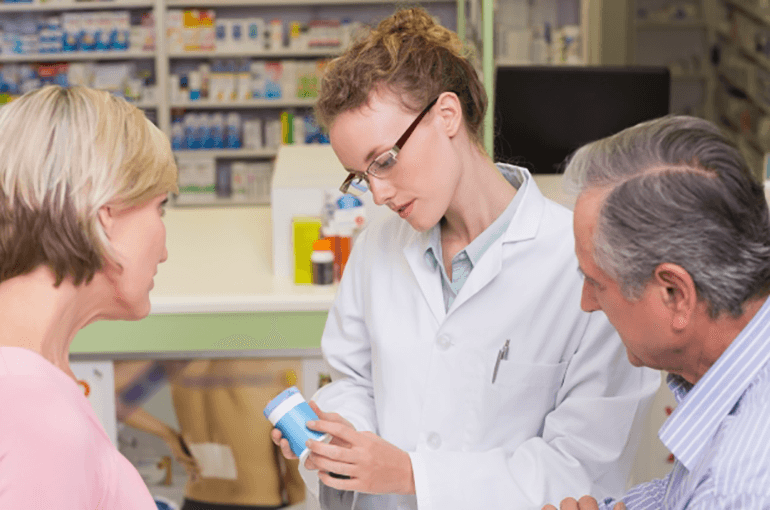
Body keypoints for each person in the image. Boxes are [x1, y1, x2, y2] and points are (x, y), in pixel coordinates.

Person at [271, 8, 660, 509]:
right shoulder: (377, 249)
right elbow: (353, 381)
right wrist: (338, 445)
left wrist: (412, 474)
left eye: (384, 160)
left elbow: (582, 466)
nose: (379, 193)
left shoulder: (581, 263)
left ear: (447, 115)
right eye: (361, 176)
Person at [542, 115, 770, 510]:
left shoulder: (735, 486)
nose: (587, 302)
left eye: (597, 282)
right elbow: (678, 494)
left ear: (675, 294)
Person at [0, 85, 177, 509]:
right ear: (105, 215)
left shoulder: (33, 381)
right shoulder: (32, 410)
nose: (166, 249)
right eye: (160, 209)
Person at [113, 358, 307, 510]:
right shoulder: (278, 363)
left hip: (195, 501)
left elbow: (108, 393)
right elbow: (299, 472)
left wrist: (167, 434)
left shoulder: (181, 361)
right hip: (255, 503)